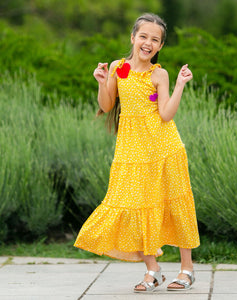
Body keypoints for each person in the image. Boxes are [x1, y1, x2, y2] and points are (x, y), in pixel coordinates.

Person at [74, 13, 200, 293]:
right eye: (143, 36)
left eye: (155, 39)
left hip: (164, 148)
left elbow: (166, 114)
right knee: (133, 205)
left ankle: (187, 269)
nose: (148, 42)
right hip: (131, 150)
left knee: (175, 203)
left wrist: (180, 84)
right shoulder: (119, 68)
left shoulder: (160, 74)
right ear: (132, 38)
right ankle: (153, 269)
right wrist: (100, 80)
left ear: (160, 46)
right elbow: (107, 106)